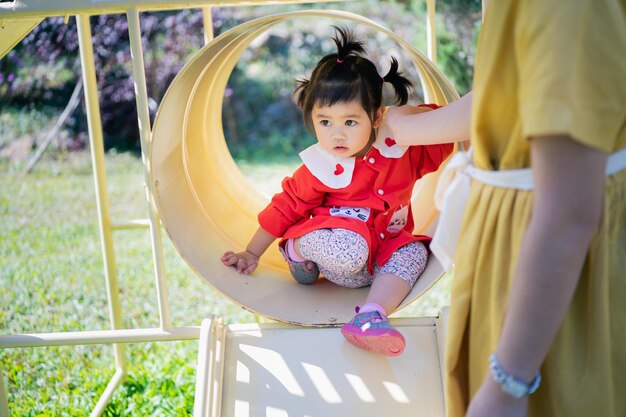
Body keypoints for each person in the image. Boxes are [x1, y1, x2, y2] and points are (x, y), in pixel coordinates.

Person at [386, 0, 626, 416]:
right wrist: (402, 126)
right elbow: (503, 94)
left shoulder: (564, 9)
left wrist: (509, 383)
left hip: (543, 256)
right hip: (513, 238)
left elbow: (568, 211)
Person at [221, 26, 455, 357]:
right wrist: (252, 253)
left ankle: (371, 315)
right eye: (325, 122)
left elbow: (445, 126)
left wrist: (405, 118)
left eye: (349, 122)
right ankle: (298, 251)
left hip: (376, 259)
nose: (336, 135)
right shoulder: (321, 166)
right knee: (352, 246)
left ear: (376, 117)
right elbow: (285, 206)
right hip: (338, 243)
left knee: (416, 251)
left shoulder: (400, 150)